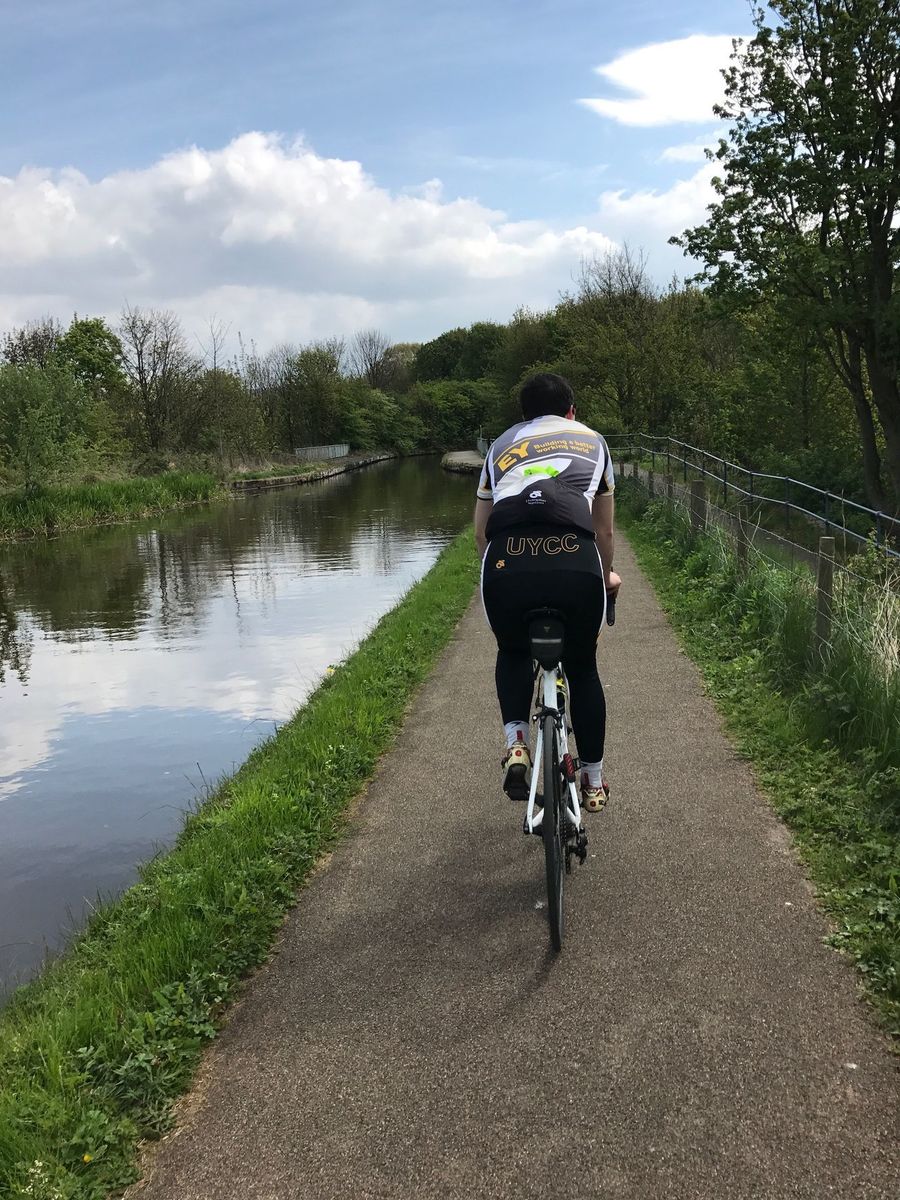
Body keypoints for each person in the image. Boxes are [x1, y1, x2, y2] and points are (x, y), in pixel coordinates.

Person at [474, 373, 621, 812]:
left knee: (512, 650)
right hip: (576, 565)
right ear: (571, 411)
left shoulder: (500, 446)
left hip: (507, 564)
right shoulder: (594, 441)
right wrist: (606, 576)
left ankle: (517, 742)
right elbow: (604, 531)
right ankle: (593, 781)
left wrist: (499, 573)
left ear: (523, 415)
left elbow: (481, 534)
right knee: (583, 666)